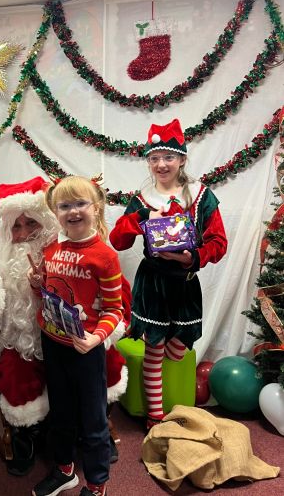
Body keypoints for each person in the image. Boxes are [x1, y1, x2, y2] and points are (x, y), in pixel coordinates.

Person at [0, 177, 129, 478]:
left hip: (73, 339)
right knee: (18, 376)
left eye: (32, 223)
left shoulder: (73, 249)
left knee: (108, 360)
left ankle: (94, 425)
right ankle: (25, 433)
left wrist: (100, 331)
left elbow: (119, 300)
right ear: (5, 230)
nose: (24, 233)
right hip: (20, 343)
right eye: (16, 226)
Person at [109, 118, 228, 430]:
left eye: (168, 157)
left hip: (186, 284)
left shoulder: (201, 195)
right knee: (154, 350)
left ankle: (160, 385)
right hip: (153, 284)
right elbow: (118, 241)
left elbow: (219, 242)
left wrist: (193, 258)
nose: (161, 164)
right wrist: (142, 217)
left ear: (182, 159)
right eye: (154, 158)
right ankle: (155, 416)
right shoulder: (143, 199)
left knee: (176, 350)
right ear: (148, 161)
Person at [29, 175, 126, 496]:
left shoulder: (105, 256)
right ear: (55, 212)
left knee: (93, 421)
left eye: (80, 203)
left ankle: (97, 485)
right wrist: (36, 282)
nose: (73, 211)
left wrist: (96, 338)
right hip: (52, 343)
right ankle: (64, 469)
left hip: (86, 350)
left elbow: (115, 309)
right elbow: (50, 292)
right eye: (64, 206)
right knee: (60, 412)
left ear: (96, 208)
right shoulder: (52, 248)